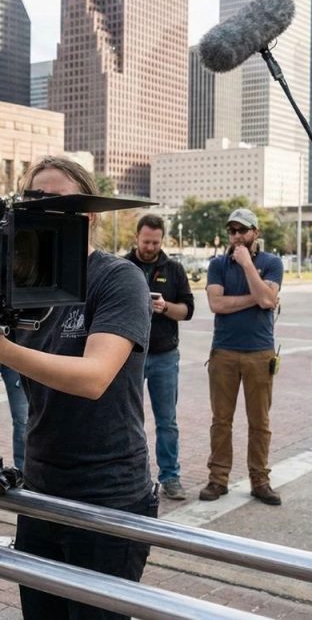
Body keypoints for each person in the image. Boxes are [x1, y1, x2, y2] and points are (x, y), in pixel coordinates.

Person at [0, 156, 155, 620]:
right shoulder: (24, 284)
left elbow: (94, 377)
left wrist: (1, 348)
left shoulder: (119, 278)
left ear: (88, 215)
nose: (41, 211)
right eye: (32, 201)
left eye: (54, 201)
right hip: (41, 486)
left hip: (108, 493)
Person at [200, 208, 283, 505]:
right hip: (223, 351)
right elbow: (217, 304)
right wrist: (259, 299)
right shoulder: (218, 264)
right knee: (221, 420)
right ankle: (218, 479)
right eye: (232, 231)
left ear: (255, 232)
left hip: (260, 353)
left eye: (242, 231)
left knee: (259, 421)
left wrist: (248, 266)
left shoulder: (272, 262)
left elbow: (267, 299)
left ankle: (260, 480)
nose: (236, 237)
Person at [124, 214, 194, 500]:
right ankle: (132, 475)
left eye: (155, 242)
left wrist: (165, 307)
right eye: (146, 241)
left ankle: (171, 476)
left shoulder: (174, 269)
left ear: (162, 240)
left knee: (167, 420)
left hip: (165, 355)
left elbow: (187, 311)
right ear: (136, 238)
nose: (150, 247)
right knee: (128, 418)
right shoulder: (122, 266)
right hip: (129, 355)